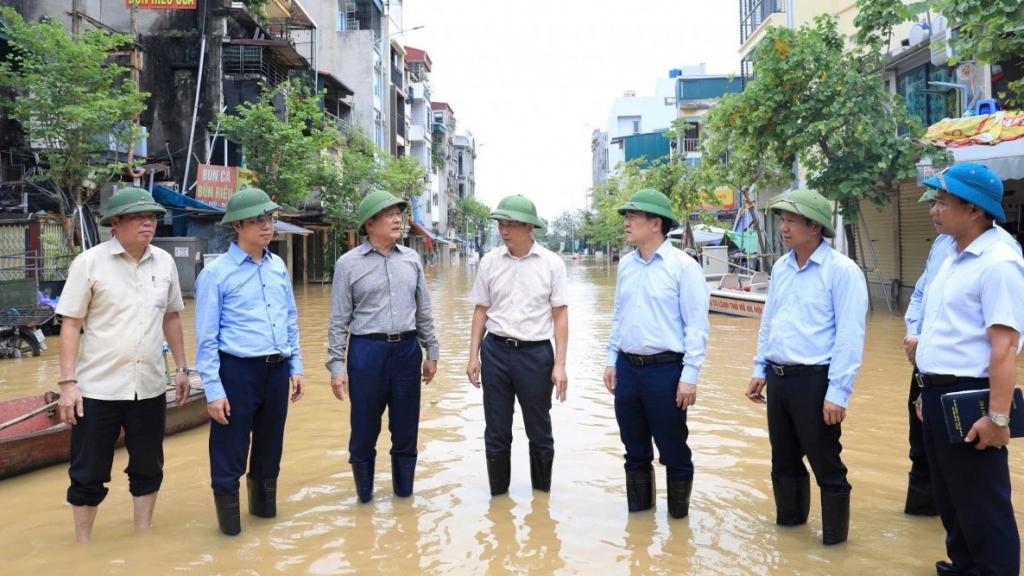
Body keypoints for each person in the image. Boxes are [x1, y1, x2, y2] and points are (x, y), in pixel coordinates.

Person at [55, 187, 191, 543]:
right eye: (138, 216)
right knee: (88, 471)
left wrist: (181, 369)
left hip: (147, 386)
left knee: (148, 465)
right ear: (114, 223)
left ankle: (142, 533)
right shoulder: (89, 263)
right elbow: (70, 323)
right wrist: (68, 384)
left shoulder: (164, 262)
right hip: (96, 389)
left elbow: (172, 317)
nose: (148, 222)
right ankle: (82, 544)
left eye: (153, 217)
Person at [914, 163, 1024, 576]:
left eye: (942, 202)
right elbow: (945, 332)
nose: (934, 210)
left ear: (974, 209)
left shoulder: (998, 261)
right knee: (952, 499)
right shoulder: (952, 257)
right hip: (939, 396)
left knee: (983, 507)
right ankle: (963, 568)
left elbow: (1006, 346)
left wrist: (998, 418)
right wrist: (927, 392)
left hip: (971, 400)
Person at [744, 188, 868, 545]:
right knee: (783, 462)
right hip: (779, 379)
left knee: (827, 466)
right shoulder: (782, 268)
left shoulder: (842, 272)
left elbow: (849, 336)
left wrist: (838, 393)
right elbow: (770, 322)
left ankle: (834, 548)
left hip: (816, 382)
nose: (783, 227)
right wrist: (760, 369)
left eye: (790, 221)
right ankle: (790, 537)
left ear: (815, 227)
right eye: (782, 220)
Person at [195, 188, 305, 536]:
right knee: (229, 454)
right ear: (238, 226)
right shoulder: (216, 274)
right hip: (236, 372)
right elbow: (207, 338)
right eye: (258, 220)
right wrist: (213, 391)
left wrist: (296, 366)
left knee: (269, 451)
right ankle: (230, 535)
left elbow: (290, 319)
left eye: (269, 218)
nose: (267, 226)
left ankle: (264, 526)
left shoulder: (277, 267)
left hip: (276, 370)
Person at [603, 188, 710, 518]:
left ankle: (678, 529)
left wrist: (689, 377)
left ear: (656, 224)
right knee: (634, 451)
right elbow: (620, 315)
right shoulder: (627, 265)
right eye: (627, 216)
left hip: (666, 371)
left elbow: (697, 326)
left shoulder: (683, 267)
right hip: (628, 367)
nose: (627, 222)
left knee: (674, 451)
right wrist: (611, 359)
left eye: (633, 216)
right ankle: (641, 529)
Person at [327, 190, 439, 503]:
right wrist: (337, 368)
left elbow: (424, 311)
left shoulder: (412, 260)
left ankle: (404, 500)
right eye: (389, 214)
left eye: (398, 213)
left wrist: (432, 353)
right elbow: (338, 322)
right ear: (370, 224)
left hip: (406, 352)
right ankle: (365, 502)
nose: (397, 219)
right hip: (366, 353)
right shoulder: (348, 264)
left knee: (406, 431)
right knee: (363, 431)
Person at [466, 194, 568, 496]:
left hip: (536, 355)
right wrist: (473, 355)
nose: (504, 230)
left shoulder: (551, 264)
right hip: (495, 351)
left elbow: (560, 315)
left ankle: (541, 500)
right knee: (496, 430)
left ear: (529, 228)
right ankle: (499, 501)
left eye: (511, 224)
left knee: (539, 429)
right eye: (501, 224)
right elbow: (481, 309)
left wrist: (559, 364)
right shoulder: (490, 261)